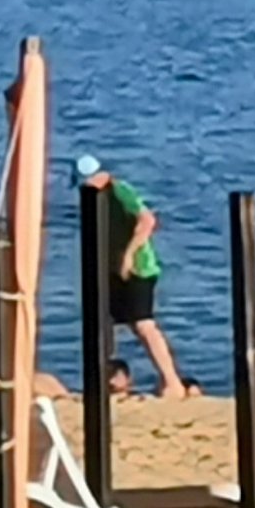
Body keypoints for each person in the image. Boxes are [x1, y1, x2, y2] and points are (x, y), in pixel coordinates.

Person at [74, 154, 192, 398]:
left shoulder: (120, 191)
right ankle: (107, 381)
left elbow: (147, 221)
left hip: (138, 268)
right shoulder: (95, 199)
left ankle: (172, 381)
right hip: (112, 269)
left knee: (143, 324)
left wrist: (128, 255)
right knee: (105, 323)